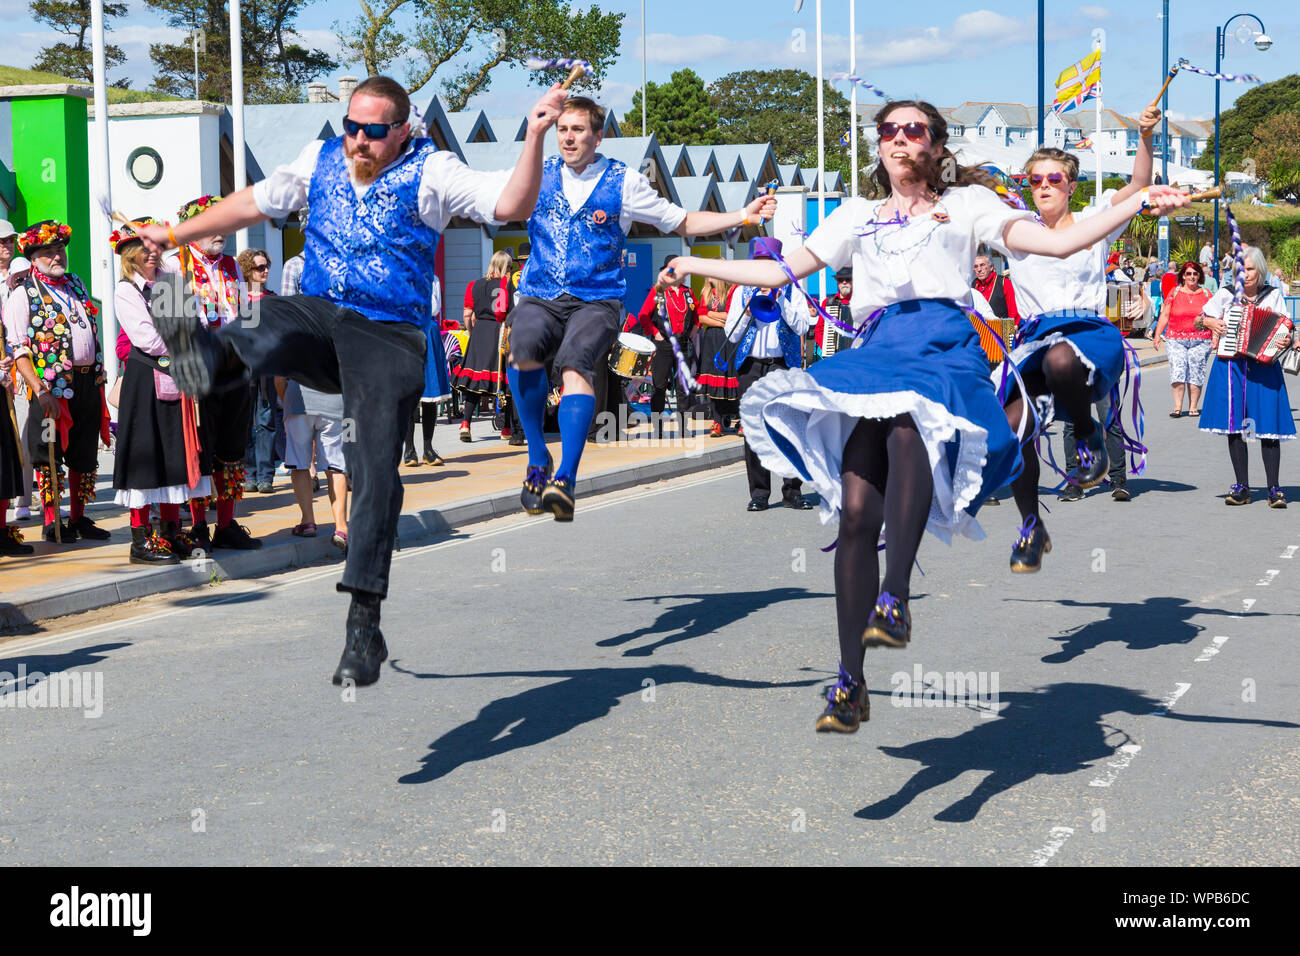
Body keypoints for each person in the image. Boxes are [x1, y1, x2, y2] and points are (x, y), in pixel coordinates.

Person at [659, 99, 1189, 733]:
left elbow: (1058, 240)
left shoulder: (969, 205)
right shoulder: (857, 215)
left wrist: (1138, 200)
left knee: (913, 424)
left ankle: (898, 594)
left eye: (915, 130)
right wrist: (693, 261)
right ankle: (849, 681)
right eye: (890, 131)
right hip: (879, 349)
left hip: (946, 346)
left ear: (937, 146)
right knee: (856, 512)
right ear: (879, 147)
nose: (900, 139)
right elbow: (777, 271)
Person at [140, 75, 568, 687]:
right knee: (265, 318)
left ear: (402, 129)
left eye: (372, 132)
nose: (357, 142)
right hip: (319, 310)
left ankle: (364, 619)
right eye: (351, 128)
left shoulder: (433, 170)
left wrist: (533, 136)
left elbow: (510, 206)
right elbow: (254, 203)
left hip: (388, 332)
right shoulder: (319, 159)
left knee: (372, 471)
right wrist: (172, 234)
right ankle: (205, 357)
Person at [507, 94, 776, 522]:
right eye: (563, 130)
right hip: (540, 292)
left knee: (576, 367)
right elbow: (495, 202)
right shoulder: (536, 174)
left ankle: (566, 480)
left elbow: (683, 222)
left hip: (596, 298)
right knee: (521, 351)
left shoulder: (624, 182)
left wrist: (741, 215)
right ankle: (538, 458)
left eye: (578, 130)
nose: (569, 137)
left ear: (598, 136)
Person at [999, 104, 1161, 565]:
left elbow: (1137, 189)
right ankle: (1032, 528)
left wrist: (1143, 136)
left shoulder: (1095, 220)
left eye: (1054, 179)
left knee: (1062, 361)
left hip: (1087, 331)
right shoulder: (1014, 230)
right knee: (1012, 433)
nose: (1044, 186)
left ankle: (1088, 436)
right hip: (1033, 338)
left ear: (1071, 184)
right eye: (1035, 180)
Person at [3, 220, 113, 544]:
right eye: (49, 251)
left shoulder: (76, 283)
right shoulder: (23, 295)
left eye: (60, 249)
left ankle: (78, 518)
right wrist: (40, 390)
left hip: (86, 384)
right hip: (51, 390)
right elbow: (19, 348)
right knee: (47, 452)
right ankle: (52, 520)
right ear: (34, 258)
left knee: (84, 452)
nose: (57, 256)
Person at [110, 218, 212, 564]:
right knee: (145, 456)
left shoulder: (171, 284)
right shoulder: (127, 290)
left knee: (173, 454)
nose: (152, 255)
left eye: (155, 249)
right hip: (146, 380)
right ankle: (140, 541)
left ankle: (170, 531)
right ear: (129, 255)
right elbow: (146, 338)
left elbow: (196, 320)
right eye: (145, 250)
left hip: (176, 375)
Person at [172, 195, 260, 550]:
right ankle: (197, 527)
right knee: (200, 451)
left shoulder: (233, 267)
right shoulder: (176, 267)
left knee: (232, 448)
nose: (220, 232)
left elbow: (248, 316)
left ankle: (225, 524)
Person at [1197, 244, 1295, 507]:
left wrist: (1286, 339)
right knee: (1235, 427)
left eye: (1250, 269)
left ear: (1260, 270)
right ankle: (1242, 487)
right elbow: (1200, 317)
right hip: (1232, 367)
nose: (1245, 274)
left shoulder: (1272, 295)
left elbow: (1285, 327)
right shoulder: (1226, 294)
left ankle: (1274, 488)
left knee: (1268, 427)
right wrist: (1210, 322)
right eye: (1241, 269)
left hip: (1264, 367)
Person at [723, 239, 814, 512]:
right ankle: (759, 493)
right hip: (751, 366)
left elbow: (802, 326)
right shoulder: (741, 291)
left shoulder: (793, 289)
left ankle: (792, 491)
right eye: (760, 263)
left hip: (783, 365)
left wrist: (781, 301)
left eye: (770, 263)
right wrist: (747, 310)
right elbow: (731, 334)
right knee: (753, 430)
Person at [625, 254, 697, 438]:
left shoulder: (688, 293)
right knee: (659, 385)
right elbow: (643, 315)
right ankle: (657, 427)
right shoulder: (658, 291)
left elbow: (698, 315)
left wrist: (694, 331)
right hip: (664, 343)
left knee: (683, 387)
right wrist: (654, 332)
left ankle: (683, 426)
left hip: (682, 343)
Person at [278, 371, 348, 550]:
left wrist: (287, 403)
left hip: (298, 402)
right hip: (335, 401)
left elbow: (278, 378)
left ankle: (308, 521)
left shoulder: (290, 341)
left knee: (299, 465)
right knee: (335, 467)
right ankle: (341, 527)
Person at [452, 250, 514, 442]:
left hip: (479, 332)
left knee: (474, 383)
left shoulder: (474, 285)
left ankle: (465, 424)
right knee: (503, 381)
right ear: (505, 267)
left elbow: (467, 315)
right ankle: (505, 429)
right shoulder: (507, 285)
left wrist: (471, 332)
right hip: (500, 331)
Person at [238, 247, 280, 494]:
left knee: (266, 421)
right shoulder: (237, 298)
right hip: (241, 368)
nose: (264, 271)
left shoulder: (273, 299)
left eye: (266, 267)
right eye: (259, 267)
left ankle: (266, 475)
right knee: (244, 422)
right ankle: (249, 473)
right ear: (247, 270)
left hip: (266, 369)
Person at [1153, 261, 1213, 417]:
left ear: (1199, 276)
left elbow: (1214, 318)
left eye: (1195, 273)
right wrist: (1157, 335)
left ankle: (1193, 406)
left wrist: (1216, 338)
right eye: (1188, 274)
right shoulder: (1175, 292)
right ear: (1183, 276)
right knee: (1178, 370)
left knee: (1196, 371)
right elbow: (1165, 315)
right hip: (1176, 339)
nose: (1192, 277)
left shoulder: (1206, 294)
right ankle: (1178, 406)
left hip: (1201, 340)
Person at [404, 273, 449, 466]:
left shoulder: (433, 278)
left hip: (428, 329)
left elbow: (435, 307)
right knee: (409, 394)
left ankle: (428, 449)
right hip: (407, 329)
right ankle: (409, 450)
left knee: (431, 392)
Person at [694, 277, 737, 437]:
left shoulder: (731, 291)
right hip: (711, 338)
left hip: (729, 338)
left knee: (730, 378)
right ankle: (717, 421)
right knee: (714, 380)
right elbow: (701, 317)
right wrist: (719, 320)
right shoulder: (706, 293)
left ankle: (737, 419)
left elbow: (732, 316)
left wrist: (711, 315)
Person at [813, 267, 855, 361]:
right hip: (834, 357)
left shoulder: (860, 302)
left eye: (847, 279)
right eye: (840, 280)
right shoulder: (828, 303)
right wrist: (827, 348)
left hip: (856, 356)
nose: (844, 282)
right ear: (837, 282)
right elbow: (819, 329)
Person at [971, 252, 1018, 320]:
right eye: (976, 266)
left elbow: (1013, 313)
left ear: (991, 267)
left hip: (1000, 329)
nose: (979, 269)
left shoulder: (1004, 282)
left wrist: (1009, 330)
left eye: (982, 265)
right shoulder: (973, 284)